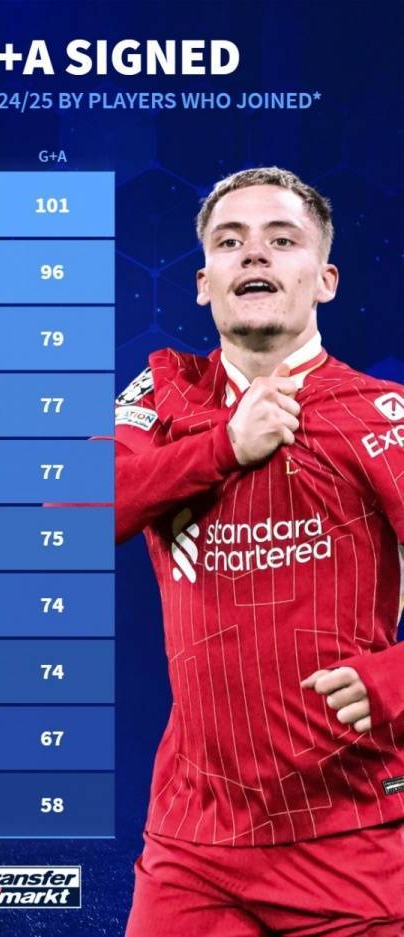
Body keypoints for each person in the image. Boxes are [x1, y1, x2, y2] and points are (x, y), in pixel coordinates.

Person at [118, 167, 404, 936]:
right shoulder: (161, 394)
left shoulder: (382, 415)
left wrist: (395, 680)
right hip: (193, 847)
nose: (254, 255)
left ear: (325, 279)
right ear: (203, 283)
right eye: (230, 242)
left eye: (282, 240)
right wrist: (225, 446)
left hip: (350, 837)